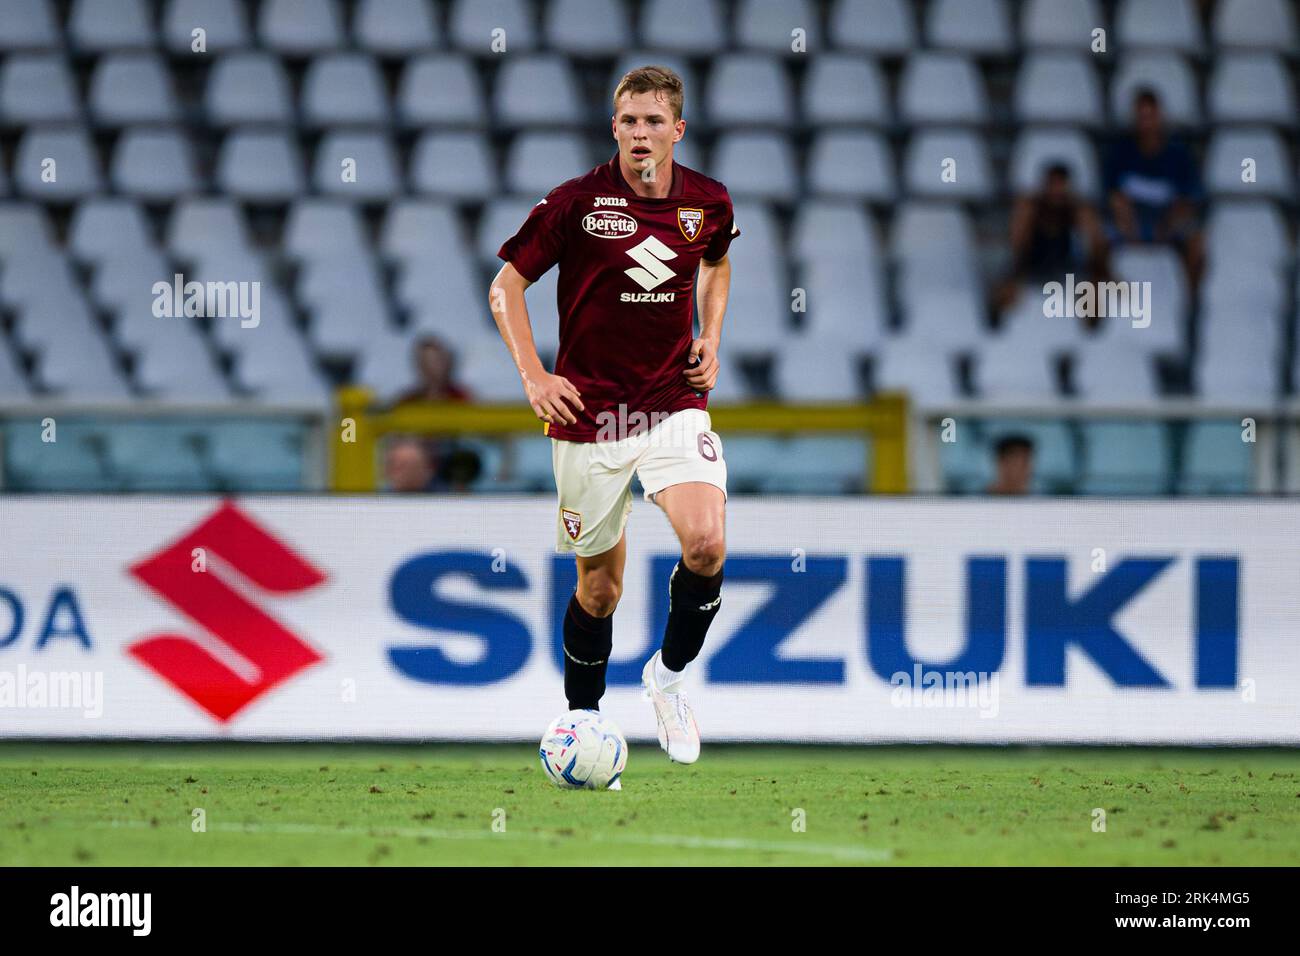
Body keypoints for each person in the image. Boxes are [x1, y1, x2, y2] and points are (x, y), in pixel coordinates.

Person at [488, 65, 740, 767]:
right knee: (599, 590)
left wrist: (711, 336)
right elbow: (506, 286)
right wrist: (534, 375)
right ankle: (583, 725)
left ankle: (667, 680)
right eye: (628, 121)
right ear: (614, 128)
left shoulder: (708, 202)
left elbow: (717, 263)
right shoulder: (575, 203)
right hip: (589, 418)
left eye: (653, 121)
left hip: (670, 402)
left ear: (677, 130)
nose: (639, 134)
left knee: (707, 544)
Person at [1104, 88, 1205, 287]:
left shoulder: (1178, 154)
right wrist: (1130, 229)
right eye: (1142, 117)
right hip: (1130, 222)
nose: (1146, 123)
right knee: (1097, 240)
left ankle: (1191, 299)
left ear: (1159, 117)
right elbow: (1114, 196)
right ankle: (1104, 303)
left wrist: (1167, 227)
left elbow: (1187, 200)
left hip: (1167, 223)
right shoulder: (1120, 152)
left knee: (1196, 239)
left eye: (1151, 116)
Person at [996, 162, 1110, 326]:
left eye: (1060, 185)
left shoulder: (1078, 209)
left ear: (1067, 186)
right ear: (1045, 185)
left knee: (1094, 289)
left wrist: (1100, 269)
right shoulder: (1031, 207)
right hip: (1034, 264)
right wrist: (1017, 270)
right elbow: (1016, 243)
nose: (1056, 190)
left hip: (1066, 265)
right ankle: (1001, 328)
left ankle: (1092, 333)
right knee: (1004, 290)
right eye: (1052, 184)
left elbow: (1096, 241)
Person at [393, 335, 472, 406]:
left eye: (435, 361)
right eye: (425, 362)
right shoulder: (408, 401)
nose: (430, 368)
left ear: (447, 363)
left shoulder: (462, 398)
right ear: (419, 365)